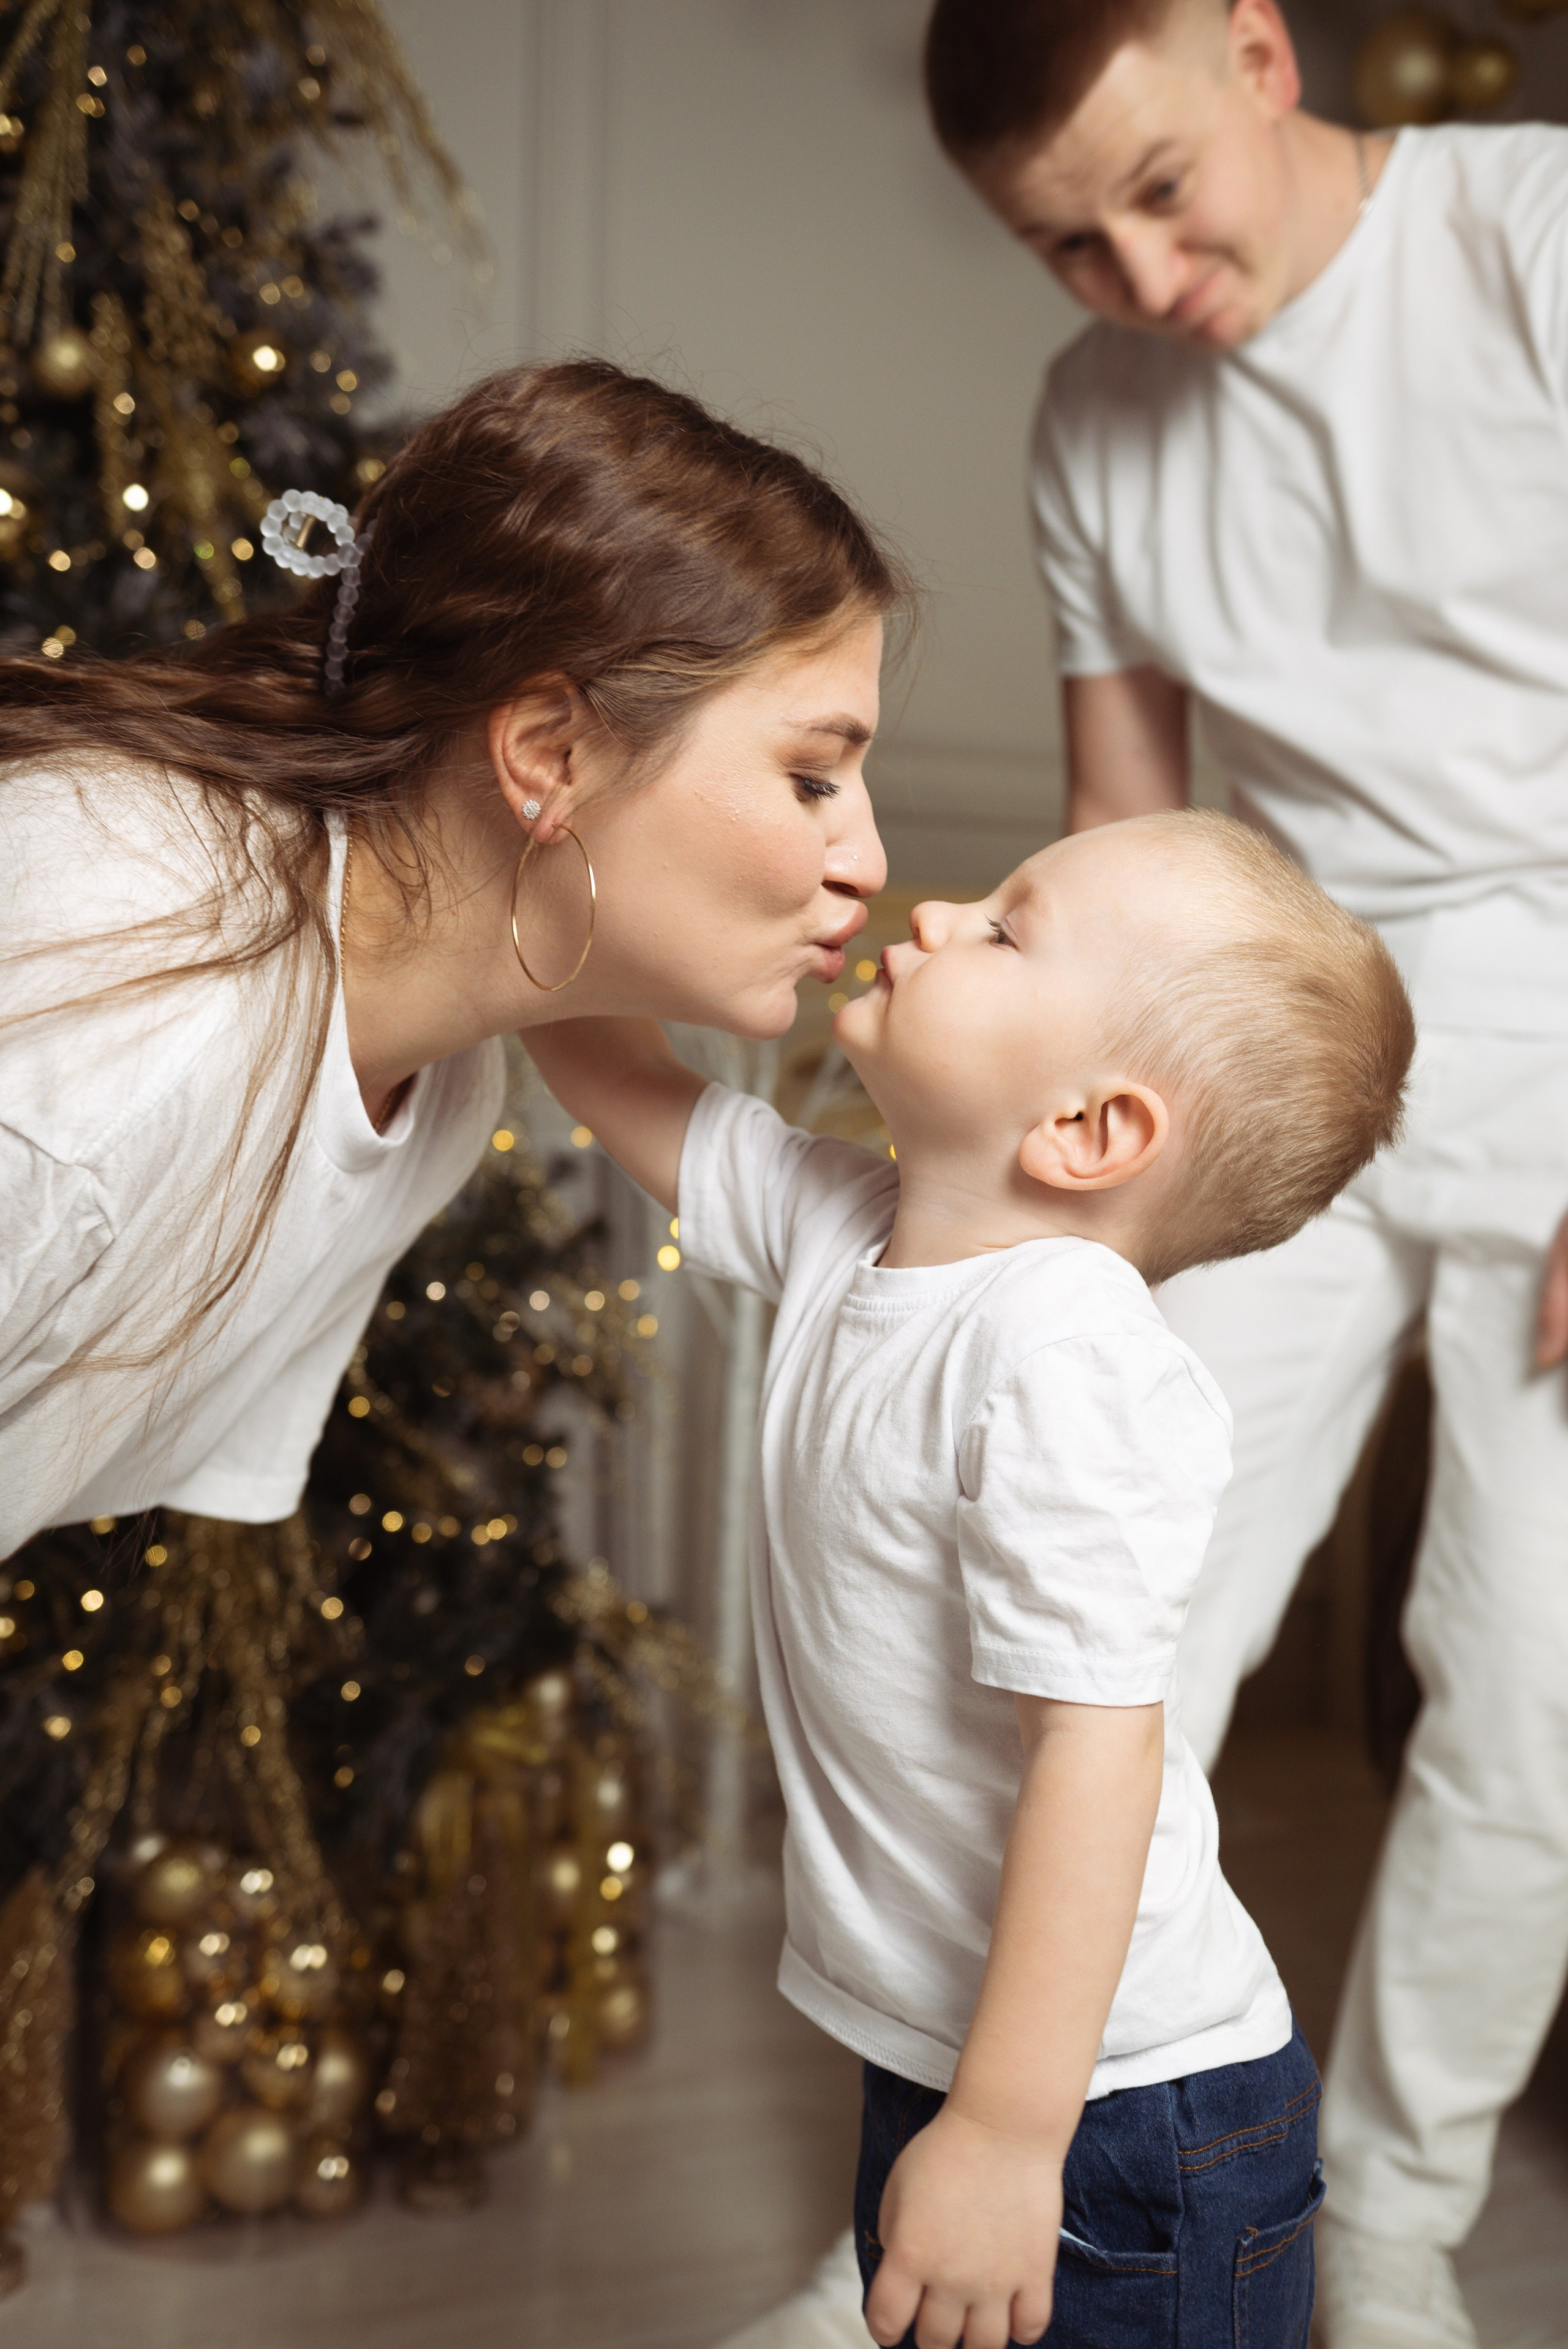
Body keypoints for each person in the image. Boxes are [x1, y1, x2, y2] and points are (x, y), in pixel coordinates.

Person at [918, 3, 1568, 2344]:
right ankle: (976, 2183)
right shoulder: (1096, 414)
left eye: (1162, 189)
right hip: (1276, 1057)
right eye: (1063, 245)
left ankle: (1389, 2219)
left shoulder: (1535, 241)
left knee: (1532, 1686)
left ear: (1264, 56)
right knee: (1111, 1639)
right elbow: (1128, 829)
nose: (1141, 278)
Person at [529, 810, 1414, 2349]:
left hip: (1117, 2113)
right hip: (958, 2050)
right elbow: (613, 1066)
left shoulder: (1064, 1356)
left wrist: (1009, 2134)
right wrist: (542, 863)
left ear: (1086, 1130)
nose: (932, 914)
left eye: (1004, 928)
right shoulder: (848, 1227)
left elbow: (1095, 1751)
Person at [0, 358, 908, 1558]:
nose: (870, 862)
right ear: (548, 752)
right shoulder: (119, 1031)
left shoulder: (431, 1078)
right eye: (808, 779)